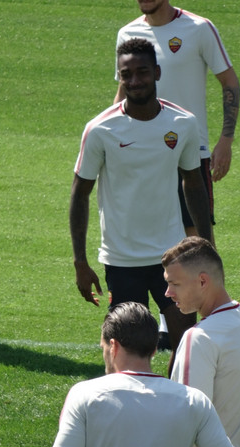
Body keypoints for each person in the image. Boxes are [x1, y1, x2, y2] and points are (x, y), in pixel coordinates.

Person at [70, 38, 212, 375]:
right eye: (126, 74)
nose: (134, 81)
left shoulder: (183, 123)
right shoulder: (100, 129)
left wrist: (206, 245)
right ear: (119, 77)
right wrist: (80, 262)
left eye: (142, 72)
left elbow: (193, 183)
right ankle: (120, 397)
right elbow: (79, 194)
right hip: (122, 259)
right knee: (123, 348)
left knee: (185, 341)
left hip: (172, 255)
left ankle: (174, 397)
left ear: (157, 72)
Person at [115, 0, 240, 241]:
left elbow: (230, 82)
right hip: (143, 153)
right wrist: (112, 141)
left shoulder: (199, 28)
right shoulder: (127, 34)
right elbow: (123, 94)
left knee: (198, 241)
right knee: (147, 238)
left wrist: (226, 140)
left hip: (188, 153)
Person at [52, 302, 234, 447]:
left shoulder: (83, 395)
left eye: (103, 347)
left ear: (113, 347)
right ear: (154, 349)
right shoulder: (195, 401)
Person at [163, 236, 240, 447]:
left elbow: (188, 423)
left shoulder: (199, 338)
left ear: (202, 281)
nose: (168, 293)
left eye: (174, 284)